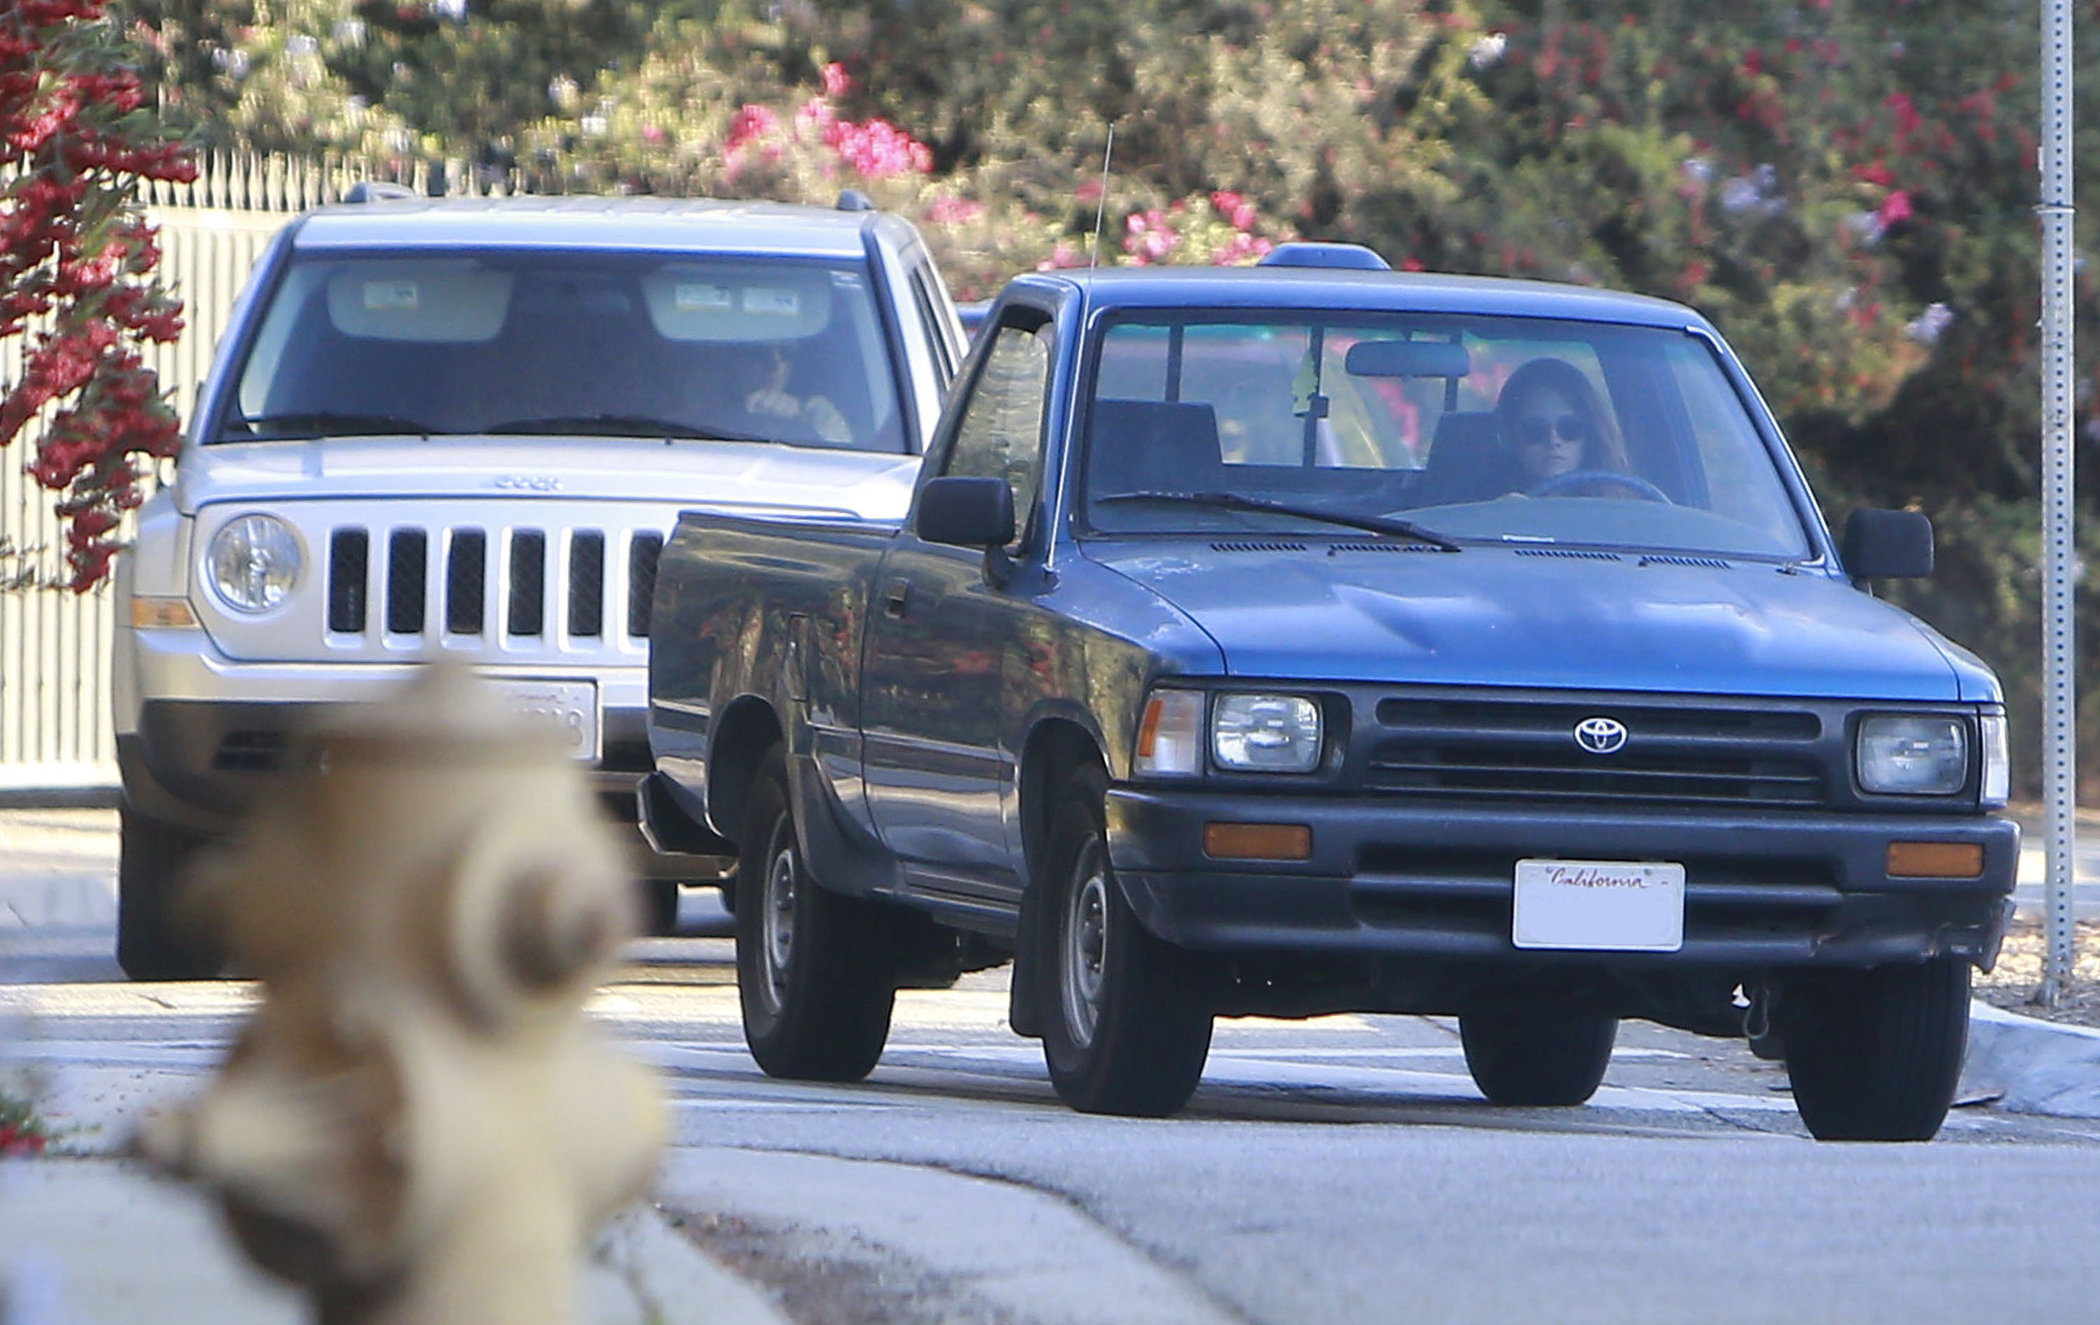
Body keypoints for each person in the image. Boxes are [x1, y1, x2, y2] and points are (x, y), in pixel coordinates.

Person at [1494, 356, 1630, 493]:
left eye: (1570, 428)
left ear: (1590, 433)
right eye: (1535, 430)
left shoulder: (1619, 507)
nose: (1553, 441)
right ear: (1510, 436)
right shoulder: (1486, 507)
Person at [732, 340, 852, 445]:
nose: (774, 365)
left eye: (786, 353)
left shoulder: (816, 413)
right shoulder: (714, 412)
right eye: (760, 353)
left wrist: (802, 419)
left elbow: (842, 462)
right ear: (735, 361)